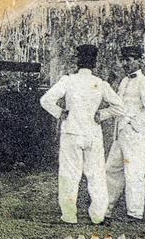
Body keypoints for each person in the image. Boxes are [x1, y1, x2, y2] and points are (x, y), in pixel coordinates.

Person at [40, 44, 125, 225]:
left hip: (71, 132)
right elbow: (120, 107)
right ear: (94, 64)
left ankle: (69, 216)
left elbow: (45, 100)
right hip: (92, 134)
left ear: (77, 62)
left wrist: (59, 112)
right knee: (96, 175)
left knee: (69, 175)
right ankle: (98, 216)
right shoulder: (100, 84)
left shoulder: (68, 80)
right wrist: (102, 115)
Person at [104, 46, 145, 220]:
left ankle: (134, 213)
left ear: (139, 61)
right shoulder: (123, 82)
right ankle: (105, 208)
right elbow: (119, 107)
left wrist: (132, 124)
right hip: (119, 135)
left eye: (129, 59)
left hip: (135, 136)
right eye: (124, 59)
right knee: (111, 170)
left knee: (134, 173)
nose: (125, 63)